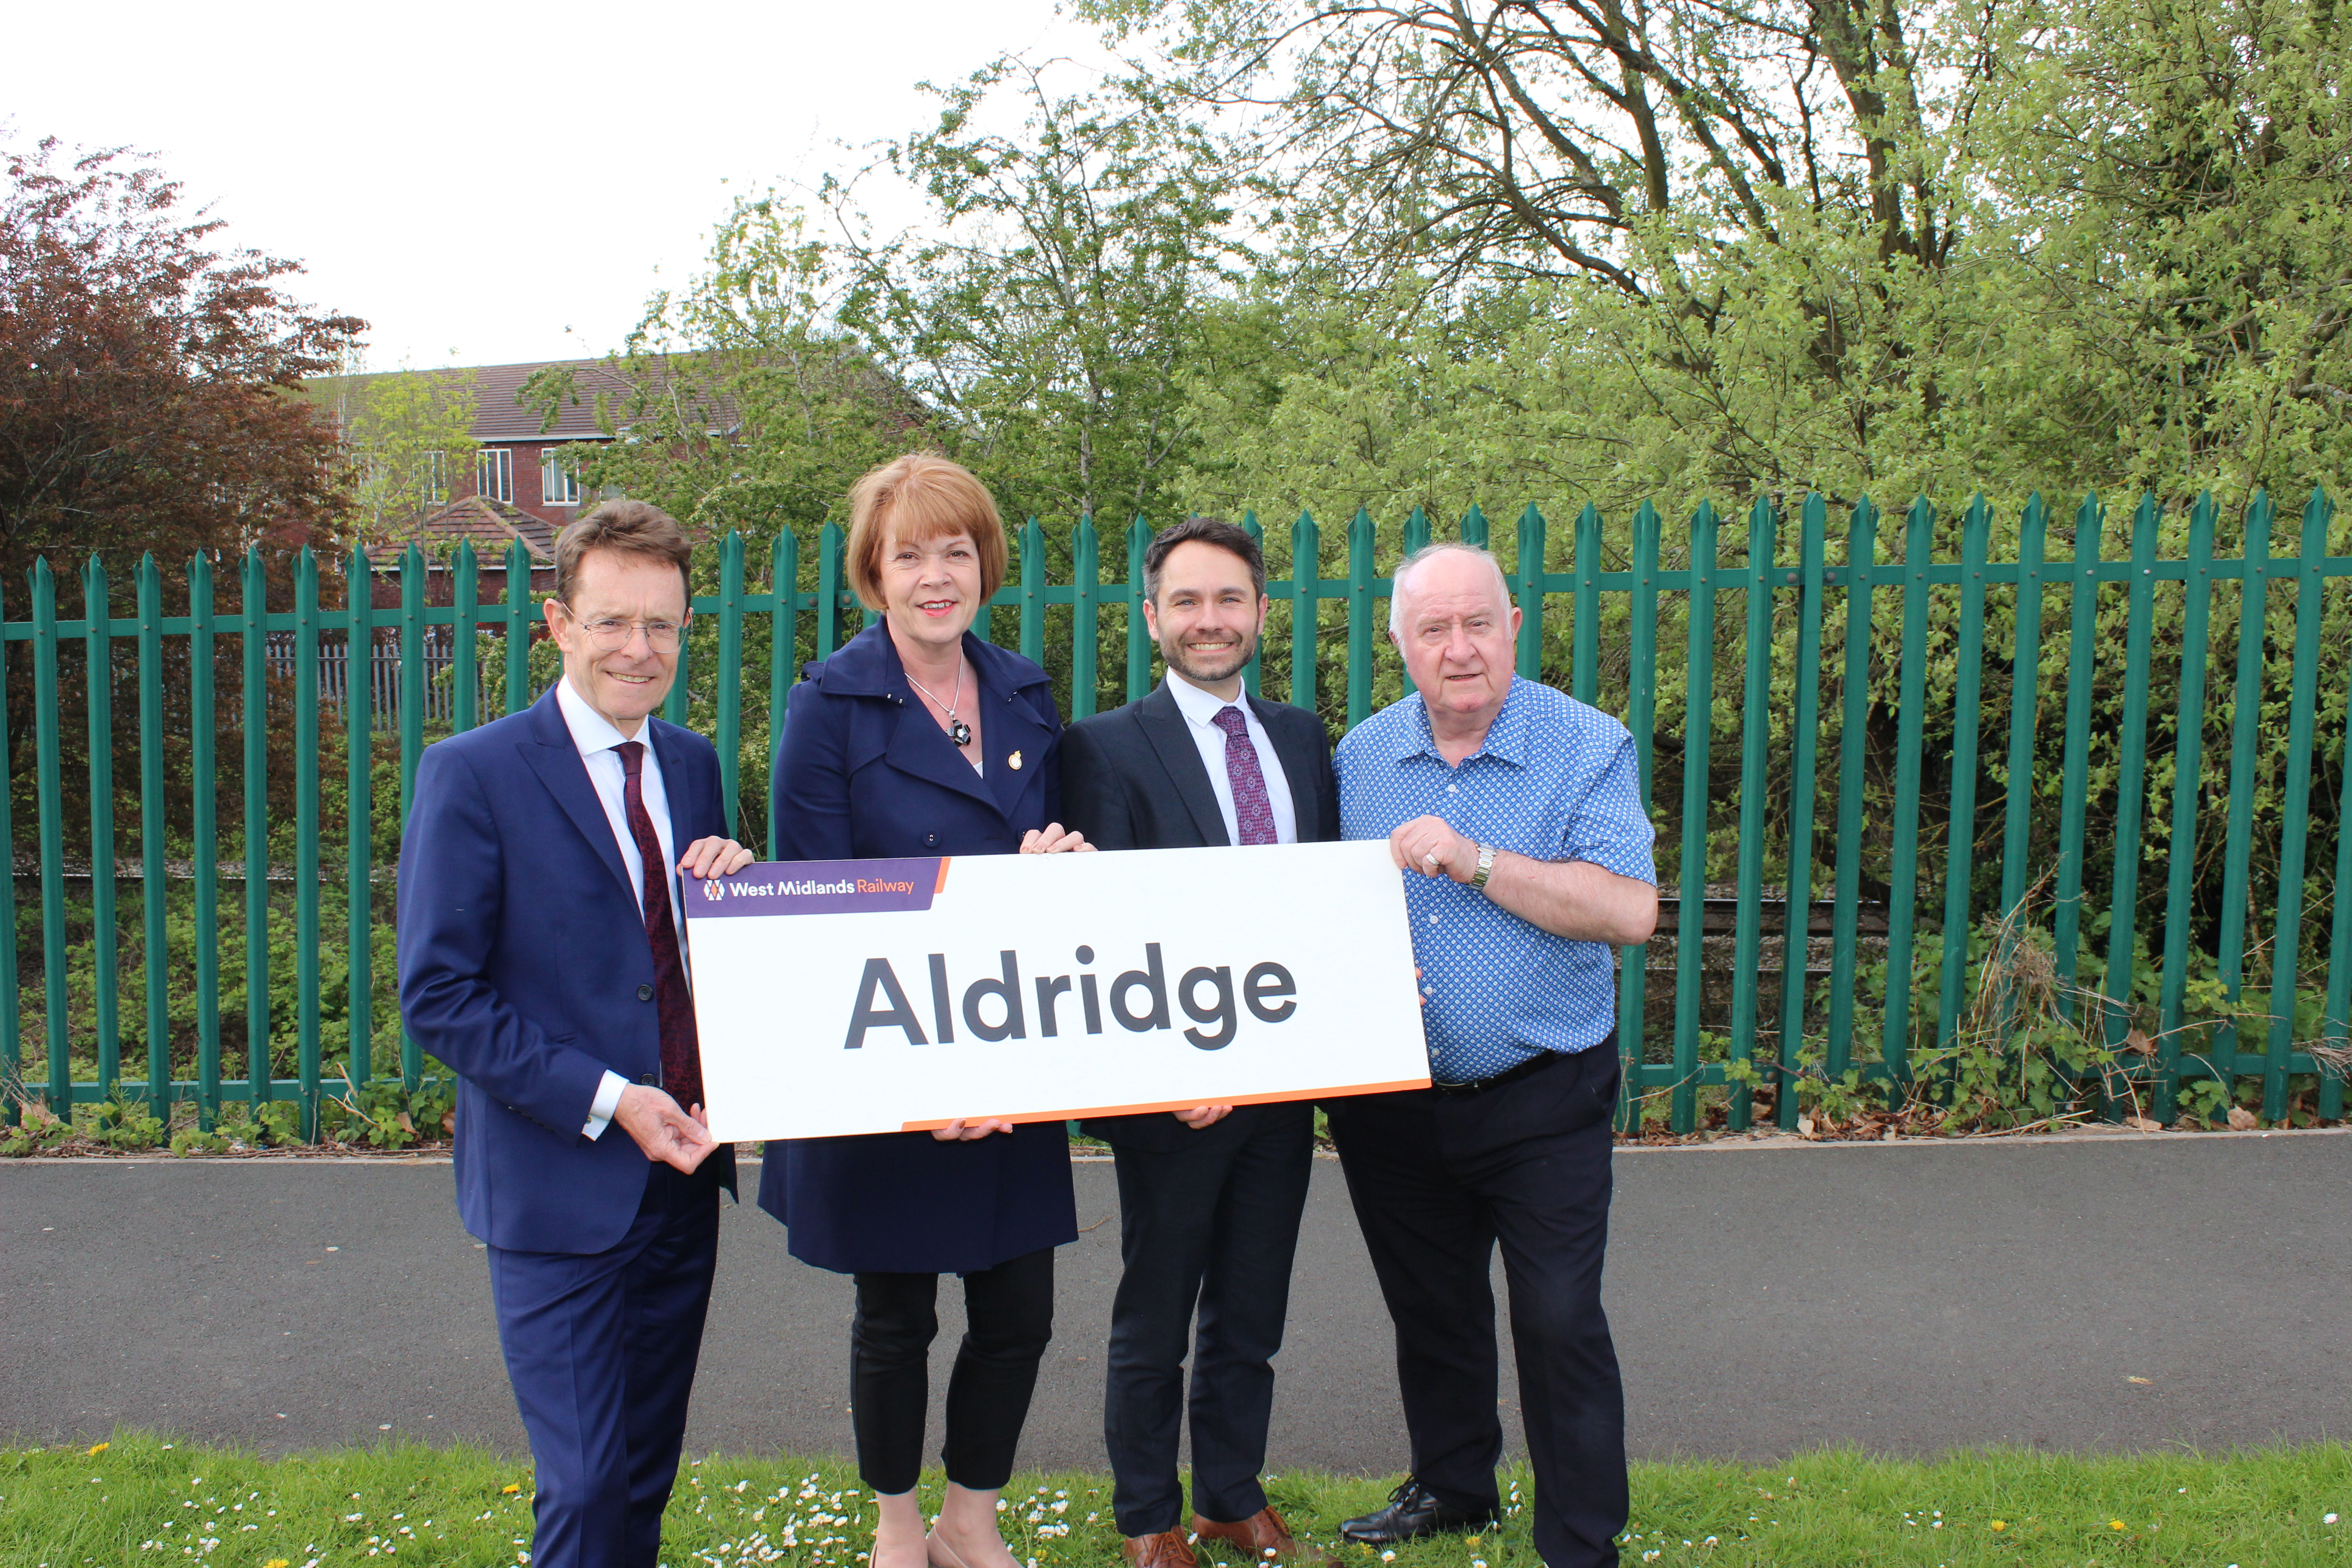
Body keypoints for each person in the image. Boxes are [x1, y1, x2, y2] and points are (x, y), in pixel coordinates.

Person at [397, 500, 756, 1568]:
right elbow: (441, 996)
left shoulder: (691, 766)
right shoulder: (475, 771)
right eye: (612, 623)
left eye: (661, 626)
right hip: (559, 1184)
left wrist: (737, 896)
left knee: (645, 1473)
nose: (638, 651)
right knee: (590, 1485)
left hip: (683, 1180)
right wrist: (611, 1099)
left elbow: (677, 959)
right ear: (559, 622)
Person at [763, 452, 1089, 1568]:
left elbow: (1054, 888)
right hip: (891, 1060)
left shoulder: (1027, 694)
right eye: (912, 555)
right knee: (896, 1317)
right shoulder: (830, 705)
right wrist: (922, 1084)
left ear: (985, 565)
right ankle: (898, 1527)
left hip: (1010, 1053)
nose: (937, 576)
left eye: (956, 551)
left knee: (1019, 1314)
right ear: (875, 573)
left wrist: (1060, 862)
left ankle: (971, 1520)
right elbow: (815, 907)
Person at [1327, 543, 1658, 1568]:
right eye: (1434, 629)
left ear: (1515, 627)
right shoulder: (1359, 758)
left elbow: (1629, 909)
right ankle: (1456, 1486)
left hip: (1541, 1092)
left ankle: (1581, 1535)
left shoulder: (1586, 745)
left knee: (1558, 1317)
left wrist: (1475, 862)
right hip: (1395, 1101)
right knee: (1432, 1309)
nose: (1459, 649)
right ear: (1399, 645)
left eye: (1479, 624)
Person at [1058, 517, 1340, 1568]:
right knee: (1158, 1308)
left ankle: (1232, 1492)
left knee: (1253, 1306)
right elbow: (1103, 928)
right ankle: (1147, 1517)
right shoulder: (1102, 747)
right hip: (1173, 1087)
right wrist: (1174, 1063)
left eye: (1229, 600)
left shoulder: (1303, 737)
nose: (1209, 620)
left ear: (1261, 612)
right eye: (1187, 602)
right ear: (1152, 618)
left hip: (1281, 1076)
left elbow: (1322, 904)